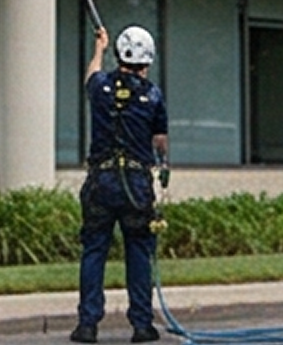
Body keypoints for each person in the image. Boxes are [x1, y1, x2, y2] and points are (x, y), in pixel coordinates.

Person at [70, 25, 170, 344]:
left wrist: (99, 46)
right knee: (139, 251)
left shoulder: (101, 87)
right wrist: (161, 159)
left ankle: (88, 325)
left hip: (101, 180)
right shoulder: (152, 95)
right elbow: (160, 141)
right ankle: (142, 325)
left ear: (119, 55)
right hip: (136, 185)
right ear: (148, 60)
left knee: (95, 249)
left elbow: (91, 76)